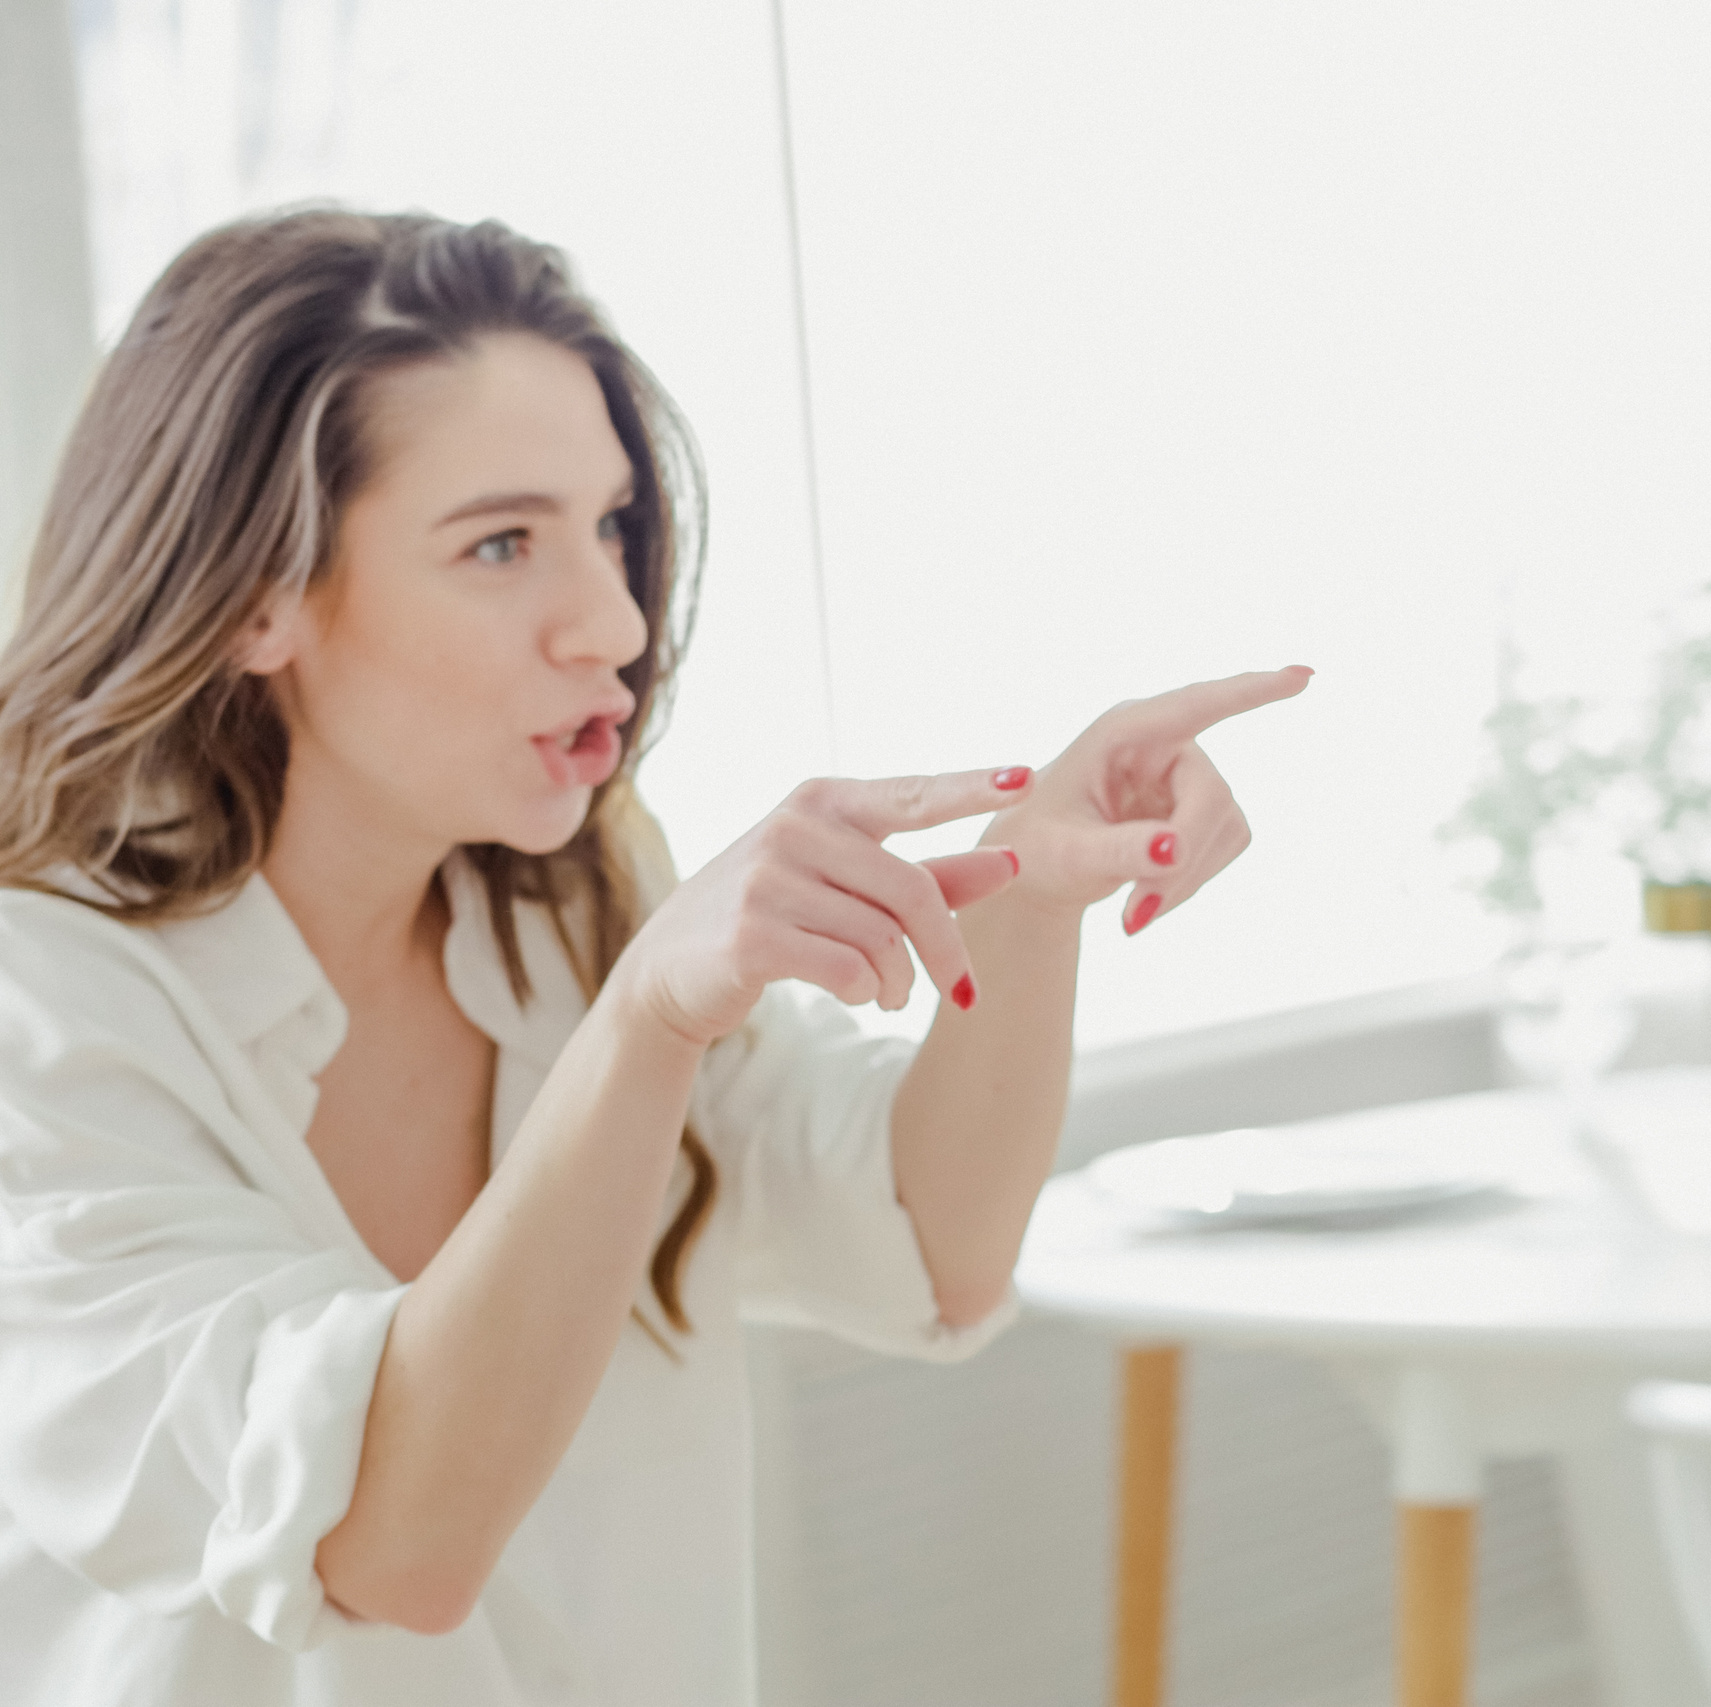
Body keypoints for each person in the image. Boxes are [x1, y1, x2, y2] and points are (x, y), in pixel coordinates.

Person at [0, 208, 1309, 1704]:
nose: (614, 622)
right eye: (501, 543)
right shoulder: (40, 1011)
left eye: (614, 525)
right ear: (253, 595)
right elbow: (387, 1544)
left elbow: (933, 1247)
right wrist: (645, 1027)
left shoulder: (568, 906)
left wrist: (1031, 894)